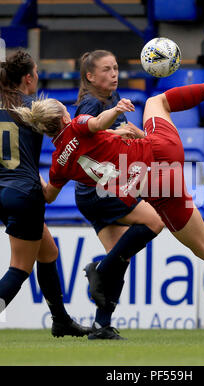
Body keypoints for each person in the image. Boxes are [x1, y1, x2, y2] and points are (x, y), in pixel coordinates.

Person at [14, 57, 204, 326]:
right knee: (158, 101)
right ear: (64, 116)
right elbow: (96, 124)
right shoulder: (77, 125)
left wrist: (30, 174)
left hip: (156, 188)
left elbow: (49, 195)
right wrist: (117, 109)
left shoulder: (58, 165)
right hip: (160, 152)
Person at [0, 49, 92, 337]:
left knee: (48, 251)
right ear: (28, 78)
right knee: (19, 268)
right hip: (26, 193)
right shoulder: (34, 107)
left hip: (4, 191)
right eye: (37, 72)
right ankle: (61, 320)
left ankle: (61, 320)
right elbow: (67, 132)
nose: (38, 76)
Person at [74, 50, 164, 340]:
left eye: (115, 68)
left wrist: (136, 135)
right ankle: (98, 269)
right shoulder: (90, 103)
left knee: (120, 259)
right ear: (90, 76)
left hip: (94, 191)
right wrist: (117, 134)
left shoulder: (112, 100)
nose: (114, 73)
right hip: (99, 188)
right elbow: (86, 137)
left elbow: (116, 136)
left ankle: (101, 326)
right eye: (106, 69)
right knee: (155, 221)